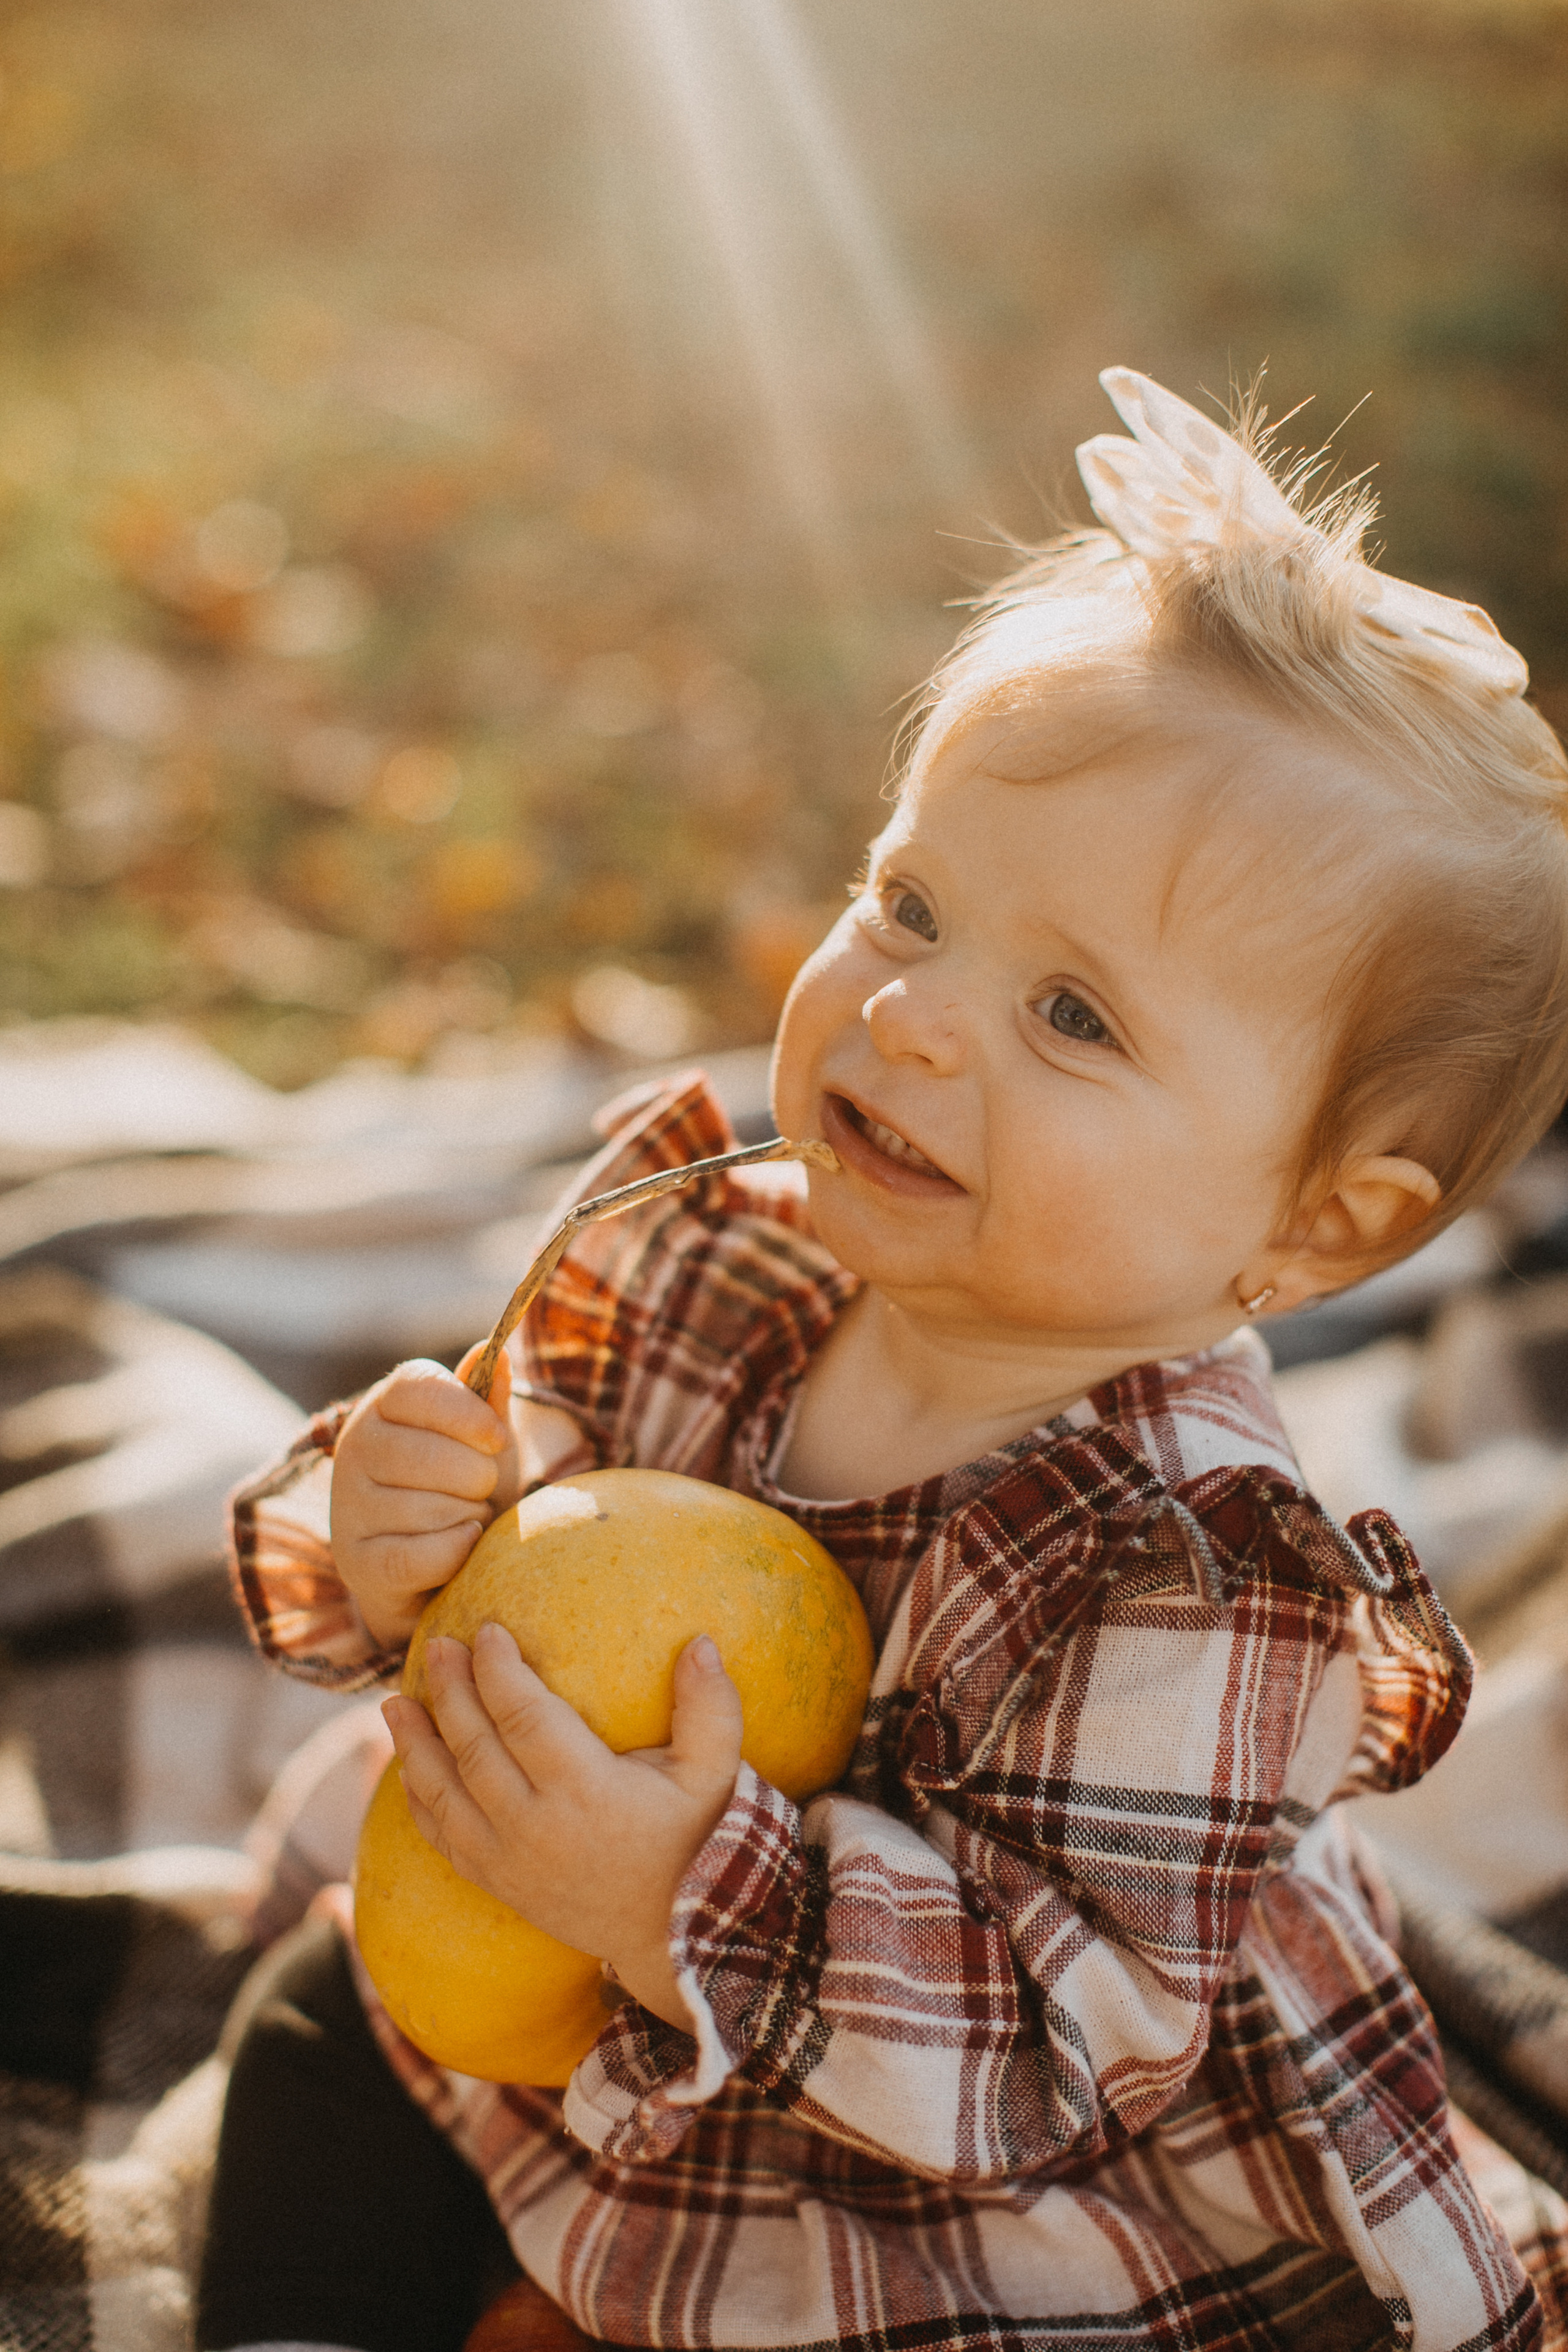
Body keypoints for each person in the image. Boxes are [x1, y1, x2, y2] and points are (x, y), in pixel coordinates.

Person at [202, 369, 1568, 2352]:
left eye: (1076, 1018)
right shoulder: (709, 1255)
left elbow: (1040, 2063)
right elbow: (494, 1555)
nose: (914, 1019)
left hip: (983, 2211)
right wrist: (396, 1538)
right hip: (595, 2010)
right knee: (316, 2033)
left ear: (1318, 1223)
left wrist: (689, 1887)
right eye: (910, 904)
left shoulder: (1197, 1576)